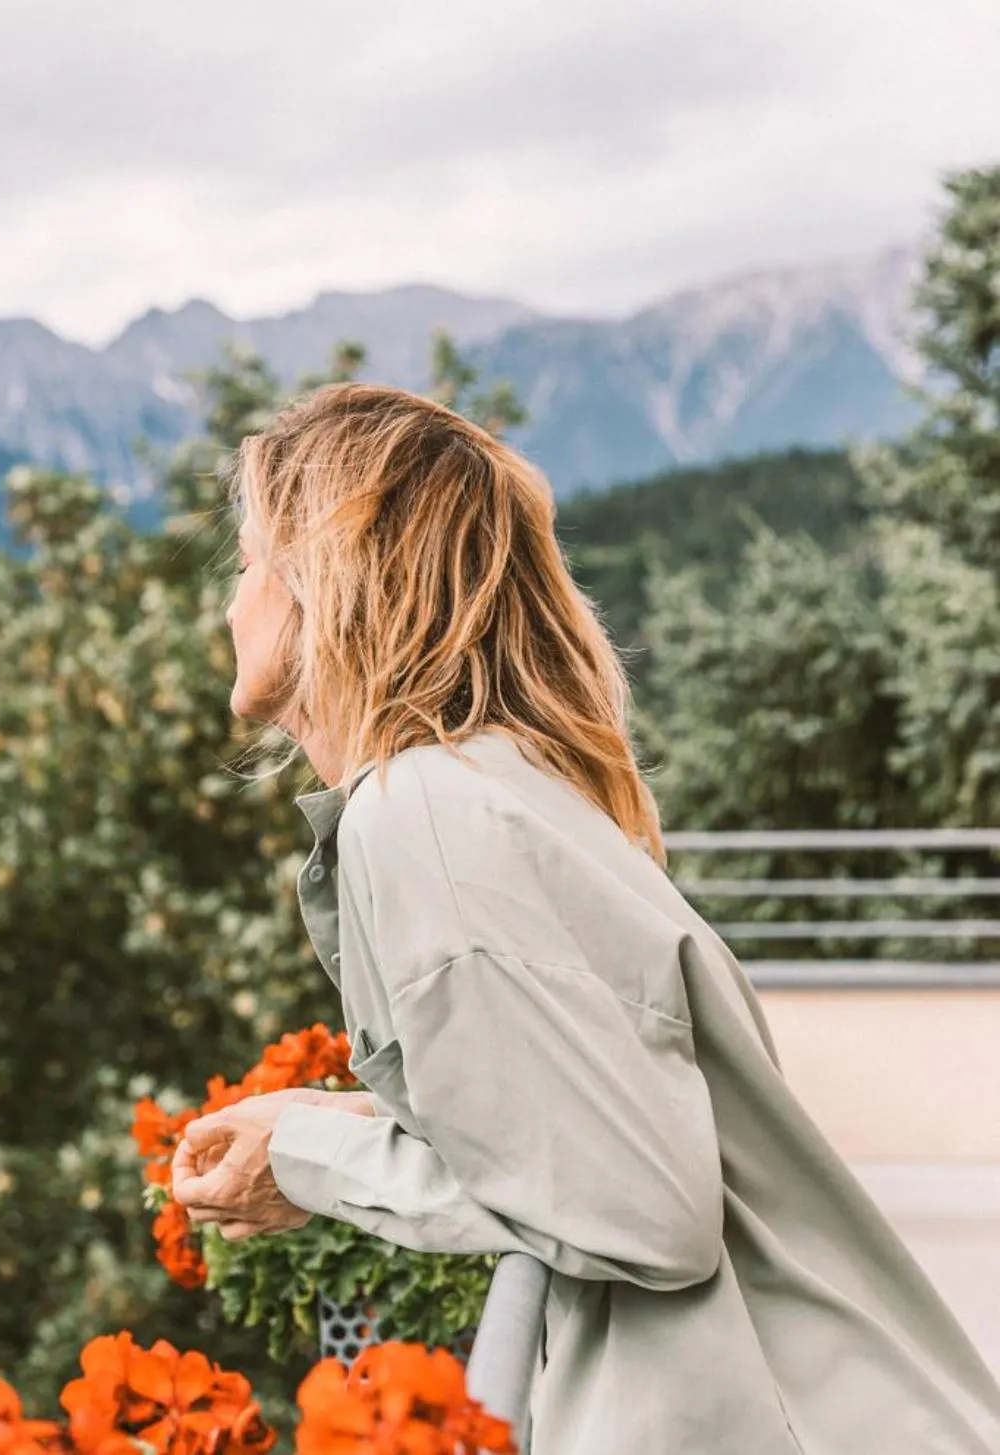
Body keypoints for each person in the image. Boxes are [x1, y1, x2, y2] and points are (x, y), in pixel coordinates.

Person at [171, 382, 1000, 1453]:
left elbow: (638, 1212)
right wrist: (322, 1132)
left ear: (320, 583)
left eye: (247, 563)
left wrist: (311, 1163)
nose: (231, 604)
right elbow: (584, 1123)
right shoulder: (495, 789)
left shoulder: (421, 814)